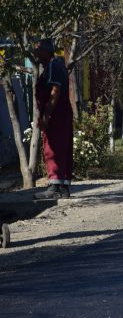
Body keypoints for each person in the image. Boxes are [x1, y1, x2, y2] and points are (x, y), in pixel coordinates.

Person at [33, 38, 73, 199]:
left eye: (38, 49)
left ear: (46, 51)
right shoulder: (54, 66)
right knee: (62, 147)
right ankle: (63, 188)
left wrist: (46, 116)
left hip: (57, 115)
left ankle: (54, 187)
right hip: (60, 114)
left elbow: (55, 91)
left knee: (53, 148)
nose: (35, 52)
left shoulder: (53, 66)